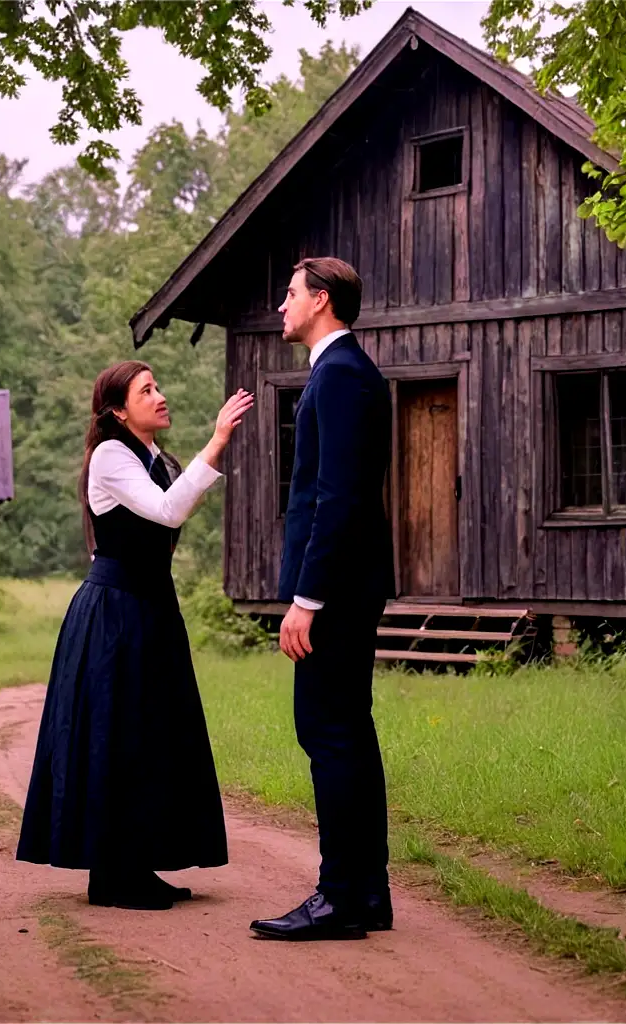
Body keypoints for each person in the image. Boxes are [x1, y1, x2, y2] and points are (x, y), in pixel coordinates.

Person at [16, 360, 254, 911]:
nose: (160, 395)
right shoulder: (109, 456)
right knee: (115, 734)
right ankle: (111, 876)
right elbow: (168, 514)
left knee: (150, 733)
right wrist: (217, 440)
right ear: (119, 410)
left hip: (149, 607)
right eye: (147, 390)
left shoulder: (156, 459)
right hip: (114, 613)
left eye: (159, 386)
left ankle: (138, 860)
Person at [249, 257, 394, 941]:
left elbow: (335, 497)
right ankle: (368, 893)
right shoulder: (349, 372)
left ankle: (339, 895)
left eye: (290, 295)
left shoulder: (337, 376)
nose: (282, 307)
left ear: (322, 301)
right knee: (349, 733)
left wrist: (306, 598)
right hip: (353, 583)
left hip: (334, 590)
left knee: (328, 732)